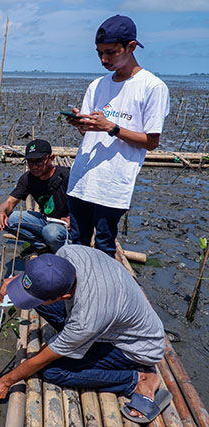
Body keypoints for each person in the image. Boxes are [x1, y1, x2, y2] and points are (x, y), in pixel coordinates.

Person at [0, 245, 170, 423]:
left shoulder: (86, 319)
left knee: (53, 371)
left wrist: (5, 382)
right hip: (113, 314)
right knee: (38, 302)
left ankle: (136, 379)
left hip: (135, 348)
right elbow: (44, 273)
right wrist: (19, 282)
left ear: (64, 297)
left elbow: (43, 359)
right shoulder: (68, 253)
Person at [65, 15, 170, 257]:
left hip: (113, 183)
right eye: (99, 53)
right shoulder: (97, 85)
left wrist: (111, 127)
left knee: (104, 245)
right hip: (81, 179)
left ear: (131, 46)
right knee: (77, 242)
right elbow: (89, 131)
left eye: (110, 52)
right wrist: (80, 123)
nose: (104, 59)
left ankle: (104, 293)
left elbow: (151, 142)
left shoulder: (152, 87)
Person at [0, 139, 70, 255]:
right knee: (8, 220)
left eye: (39, 161)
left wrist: (73, 218)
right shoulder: (28, 179)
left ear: (51, 158)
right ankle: (42, 245)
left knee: (51, 232)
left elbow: (87, 204)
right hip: (46, 220)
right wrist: (1, 212)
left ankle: (64, 255)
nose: (34, 167)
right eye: (30, 162)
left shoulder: (66, 175)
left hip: (66, 226)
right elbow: (10, 201)